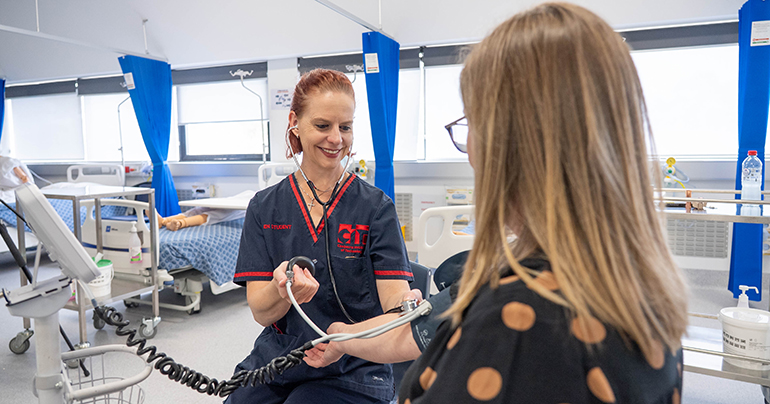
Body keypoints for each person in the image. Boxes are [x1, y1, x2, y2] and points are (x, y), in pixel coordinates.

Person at [314, 4, 689, 403]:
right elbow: (416, 329)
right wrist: (342, 334)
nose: (470, 152)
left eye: (472, 122)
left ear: (516, 141)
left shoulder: (511, 327)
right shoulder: (642, 286)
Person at [227, 68, 413, 404]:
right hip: (280, 359)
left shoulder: (375, 208)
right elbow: (261, 312)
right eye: (323, 126)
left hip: (355, 364)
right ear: (295, 122)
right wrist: (282, 289)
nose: (336, 139)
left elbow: (396, 305)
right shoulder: (264, 207)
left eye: (346, 127)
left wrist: (405, 311)